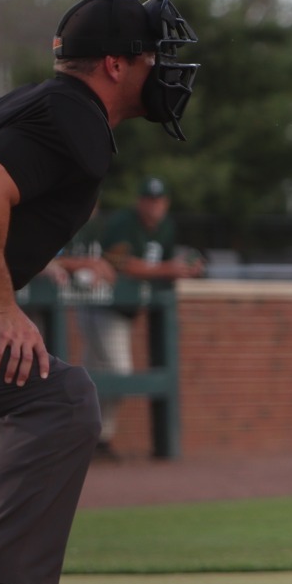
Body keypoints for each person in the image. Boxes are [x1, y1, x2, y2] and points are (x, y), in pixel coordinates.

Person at [0, 0, 198, 584]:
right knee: (62, 395)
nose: (165, 68)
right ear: (116, 65)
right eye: (153, 53)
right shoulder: (75, 116)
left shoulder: (35, 106)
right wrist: (2, 309)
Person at [85, 176, 204, 455]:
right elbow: (119, 264)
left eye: (159, 200)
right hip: (101, 305)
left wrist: (186, 268)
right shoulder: (122, 222)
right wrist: (168, 268)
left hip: (126, 312)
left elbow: (166, 269)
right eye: (149, 200)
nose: (154, 206)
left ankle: (87, 437)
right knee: (118, 372)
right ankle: (98, 438)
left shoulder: (167, 228)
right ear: (140, 201)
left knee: (91, 375)